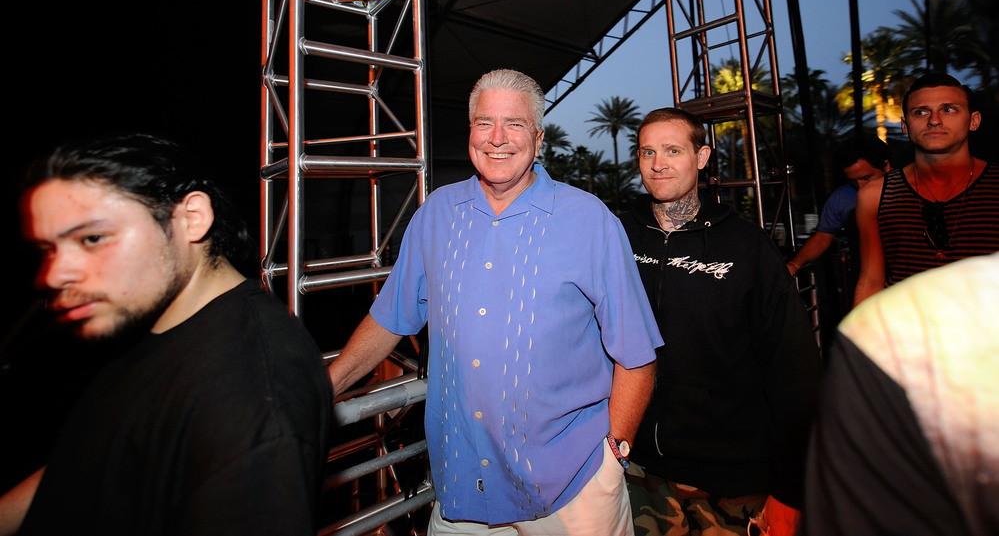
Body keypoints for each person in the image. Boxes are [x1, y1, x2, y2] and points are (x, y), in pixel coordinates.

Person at [327, 68, 663, 536]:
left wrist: (614, 457)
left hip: (571, 491)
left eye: (515, 124)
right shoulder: (436, 215)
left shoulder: (590, 220)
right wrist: (325, 387)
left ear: (539, 137)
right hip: (463, 488)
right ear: (470, 131)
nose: (498, 138)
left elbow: (637, 355)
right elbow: (389, 319)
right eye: (485, 123)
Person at [0, 134, 333, 536]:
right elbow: (90, 459)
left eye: (92, 238)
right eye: (47, 249)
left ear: (191, 218)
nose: (53, 275)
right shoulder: (144, 318)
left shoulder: (247, 389)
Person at [621, 108, 822, 536]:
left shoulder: (747, 246)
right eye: (647, 152)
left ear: (702, 156)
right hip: (637, 472)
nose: (658, 163)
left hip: (735, 477)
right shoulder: (617, 238)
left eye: (673, 150)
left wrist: (793, 488)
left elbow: (795, 371)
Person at [802, 252, 998, 536]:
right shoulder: (886, 332)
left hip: (965, 341)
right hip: (905, 354)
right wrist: (865, 349)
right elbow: (869, 275)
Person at [853, 72, 999, 306]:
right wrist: (854, 340)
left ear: (974, 121)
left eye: (948, 109)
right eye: (921, 112)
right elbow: (871, 280)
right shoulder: (875, 195)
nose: (934, 120)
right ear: (904, 125)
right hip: (904, 336)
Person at [786, 135, 890, 279]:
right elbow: (822, 238)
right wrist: (795, 264)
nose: (860, 186)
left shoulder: (911, 190)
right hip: (867, 279)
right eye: (853, 181)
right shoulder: (841, 198)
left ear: (886, 167)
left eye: (866, 178)